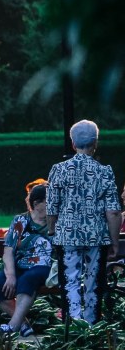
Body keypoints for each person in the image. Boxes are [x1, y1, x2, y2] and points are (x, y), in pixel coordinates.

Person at [47, 119, 121, 323]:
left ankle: (73, 325)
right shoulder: (104, 171)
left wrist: (52, 230)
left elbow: (52, 207)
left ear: (73, 144)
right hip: (96, 236)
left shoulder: (59, 170)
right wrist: (114, 243)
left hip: (67, 235)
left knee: (69, 281)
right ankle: (91, 326)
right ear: (95, 143)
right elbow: (114, 212)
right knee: (94, 283)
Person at [0, 183, 52, 337]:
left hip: (45, 265)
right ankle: (23, 324)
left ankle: (13, 326)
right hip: (21, 264)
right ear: (36, 204)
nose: (55, 204)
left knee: (28, 279)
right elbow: (8, 251)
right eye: (50, 200)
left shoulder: (56, 221)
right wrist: (10, 275)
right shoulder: (20, 221)